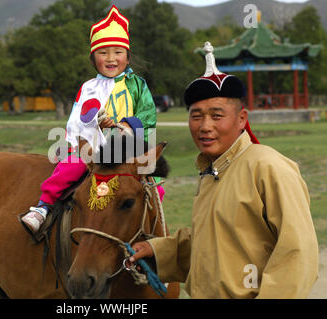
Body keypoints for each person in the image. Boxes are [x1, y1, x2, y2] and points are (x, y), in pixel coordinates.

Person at [128, 42, 318, 298]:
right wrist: (155, 251)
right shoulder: (211, 172)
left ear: (242, 119)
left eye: (217, 116)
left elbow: (297, 254)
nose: (205, 126)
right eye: (196, 116)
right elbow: (211, 247)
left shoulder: (268, 167)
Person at [20, 5, 161, 233]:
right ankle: (43, 207)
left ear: (127, 55)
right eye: (103, 53)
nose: (111, 58)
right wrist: (93, 125)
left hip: (128, 151)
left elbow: (147, 116)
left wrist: (124, 125)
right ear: (93, 57)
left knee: (154, 189)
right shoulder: (88, 88)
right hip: (93, 152)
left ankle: (153, 232)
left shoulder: (137, 85)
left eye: (118, 52)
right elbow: (77, 120)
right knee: (70, 168)